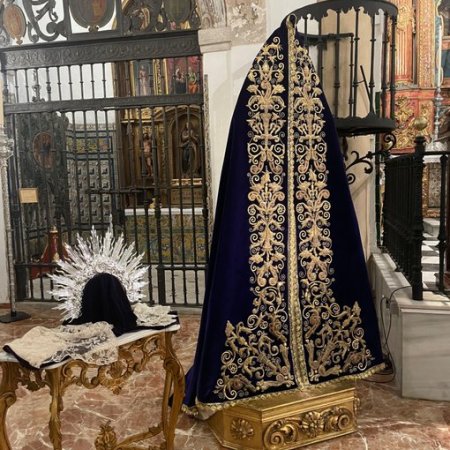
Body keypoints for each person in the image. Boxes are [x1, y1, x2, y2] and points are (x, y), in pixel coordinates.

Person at [183, 14, 385, 419]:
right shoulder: (260, 102)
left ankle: (317, 366)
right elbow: (243, 179)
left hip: (311, 225)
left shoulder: (306, 106)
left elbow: (324, 173)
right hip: (264, 227)